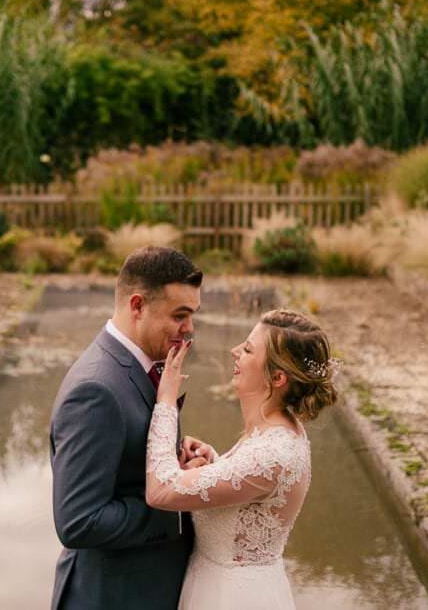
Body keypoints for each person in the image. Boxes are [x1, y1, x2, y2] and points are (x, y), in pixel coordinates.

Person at [49, 246, 216, 610]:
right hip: (114, 597)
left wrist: (176, 459)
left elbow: (127, 454)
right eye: (180, 315)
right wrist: (176, 500)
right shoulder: (96, 389)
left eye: (193, 315)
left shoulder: (139, 364)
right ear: (137, 305)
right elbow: (79, 522)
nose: (189, 329)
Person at [146, 308, 339, 609]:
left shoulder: (274, 453)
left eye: (248, 349)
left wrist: (166, 402)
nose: (235, 351)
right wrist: (215, 464)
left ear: (276, 377)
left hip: (233, 597)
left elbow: (160, 490)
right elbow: (248, 497)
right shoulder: (276, 430)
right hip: (216, 584)